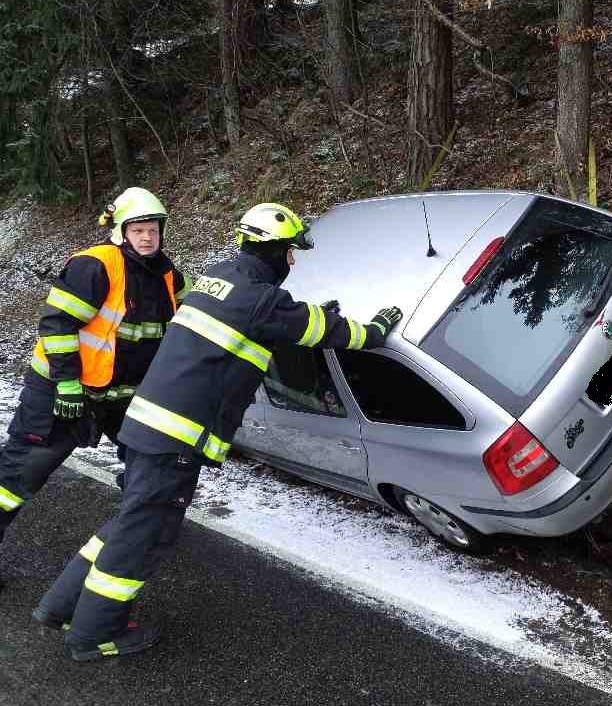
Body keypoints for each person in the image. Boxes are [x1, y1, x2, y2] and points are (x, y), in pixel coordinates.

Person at [34, 202, 404, 662]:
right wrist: (375, 330)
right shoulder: (260, 299)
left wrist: (289, 324)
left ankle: (61, 606)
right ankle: (93, 635)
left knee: (127, 524)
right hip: (176, 440)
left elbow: (260, 330)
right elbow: (324, 330)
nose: (292, 262)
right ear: (273, 251)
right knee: (142, 537)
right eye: (290, 252)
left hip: (148, 425)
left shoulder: (220, 278)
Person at [0, 187, 189, 592]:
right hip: (61, 393)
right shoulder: (95, 265)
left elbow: (193, 320)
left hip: (122, 398)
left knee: (150, 464)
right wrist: (67, 382)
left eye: (154, 229)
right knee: (18, 476)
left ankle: (137, 534)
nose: (147, 237)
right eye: (138, 229)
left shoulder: (168, 275)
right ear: (121, 231)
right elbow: (57, 324)